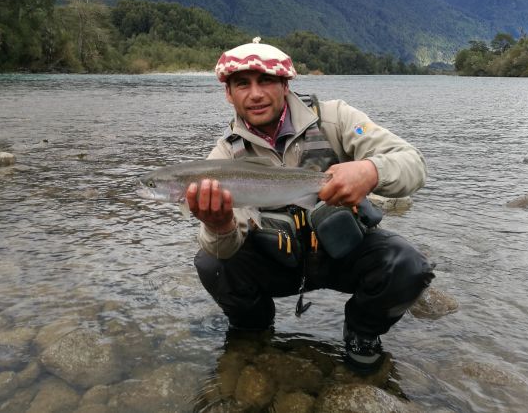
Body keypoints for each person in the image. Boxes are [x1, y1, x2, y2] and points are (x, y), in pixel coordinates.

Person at [186, 37, 434, 372]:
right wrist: (218, 226)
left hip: (342, 255)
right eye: (242, 84)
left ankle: (362, 331)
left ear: (285, 84)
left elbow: (413, 163)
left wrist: (370, 170)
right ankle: (253, 330)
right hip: (278, 265)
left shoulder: (336, 117)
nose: (255, 94)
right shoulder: (224, 157)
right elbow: (228, 248)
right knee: (210, 262)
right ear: (228, 94)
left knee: (407, 264)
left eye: (266, 81)